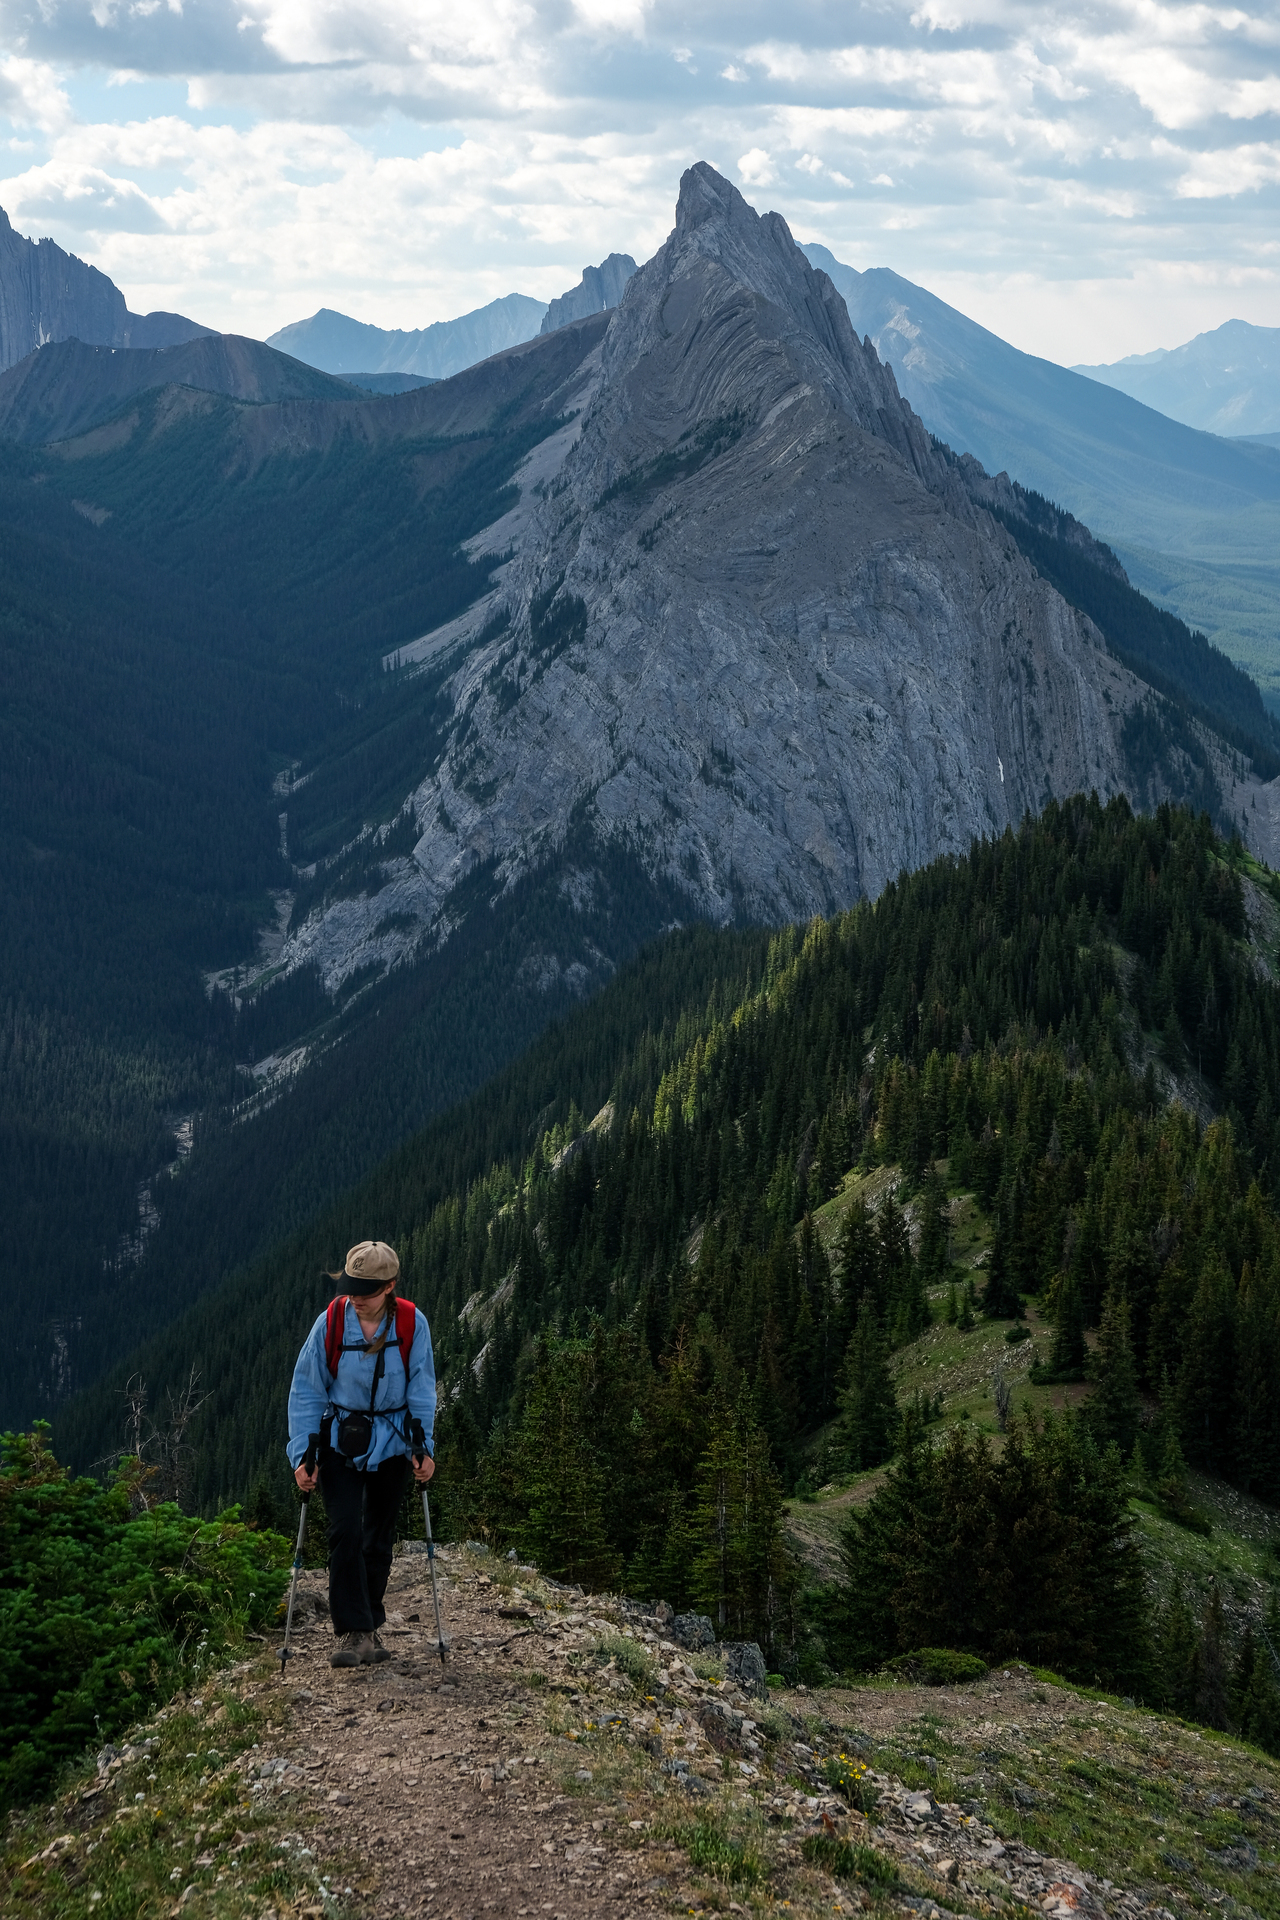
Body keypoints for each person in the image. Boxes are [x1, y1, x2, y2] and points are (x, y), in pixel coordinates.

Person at [287, 1239, 436, 1669]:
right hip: (339, 1439)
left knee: (378, 1537)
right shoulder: (331, 1323)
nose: (354, 1298)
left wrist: (424, 1447)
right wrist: (302, 1454)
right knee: (345, 1531)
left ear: (389, 1287)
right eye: (350, 1288)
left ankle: (369, 1624)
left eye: (364, 1292)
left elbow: (422, 1388)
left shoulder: (411, 1324)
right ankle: (354, 1630)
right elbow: (307, 1389)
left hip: (393, 1441)